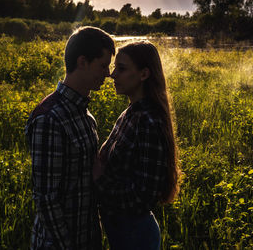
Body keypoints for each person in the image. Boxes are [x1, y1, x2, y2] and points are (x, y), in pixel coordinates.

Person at [25, 26, 115, 250]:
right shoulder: (50, 119)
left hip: (88, 238)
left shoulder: (86, 116)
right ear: (82, 62)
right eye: (103, 65)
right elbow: (46, 198)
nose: (108, 73)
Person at [93, 41, 182, 250]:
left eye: (121, 69)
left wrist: (99, 180)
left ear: (144, 74)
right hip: (124, 232)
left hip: (136, 236)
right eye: (115, 68)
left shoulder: (148, 121)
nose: (113, 75)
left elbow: (142, 198)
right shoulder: (131, 113)